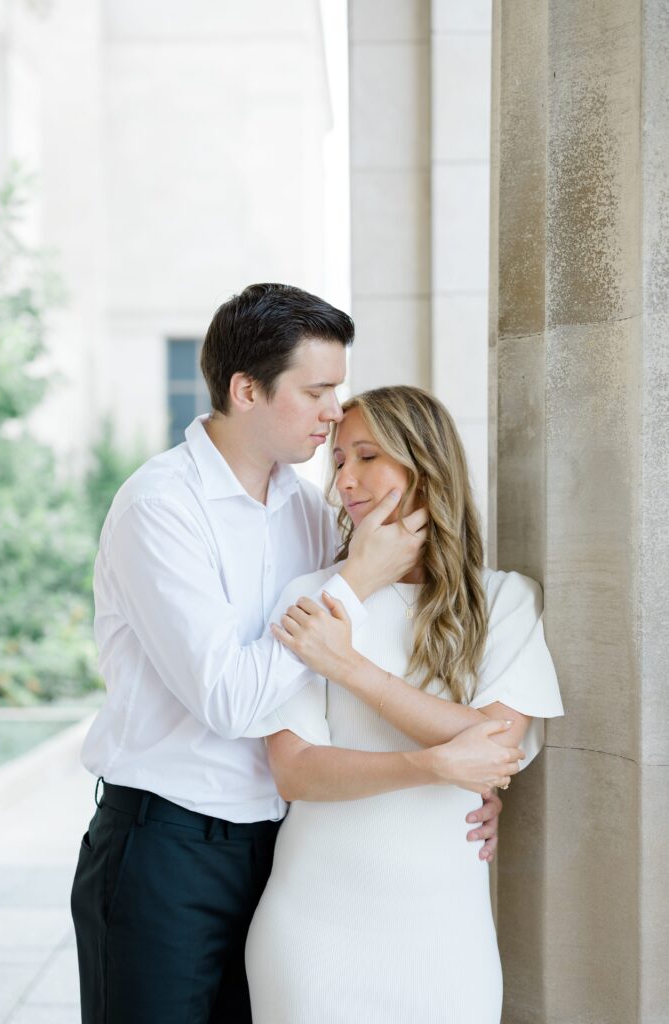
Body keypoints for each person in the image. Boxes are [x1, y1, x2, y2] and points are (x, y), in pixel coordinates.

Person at [70, 285, 509, 1024]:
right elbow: (234, 700)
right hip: (168, 847)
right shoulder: (159, 507)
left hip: (281, 855)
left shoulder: (305, 509)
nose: (335, 410)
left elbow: (347, 680)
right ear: (246, 390)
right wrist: (357, 579)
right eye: (316, 390)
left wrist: (464, 785)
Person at [245, 385, 564, 1024]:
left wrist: (349, 669)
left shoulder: (504, 601)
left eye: (367, 456)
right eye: (337, 461)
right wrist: (435, 766)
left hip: (447, 933)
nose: (347, 481)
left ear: (425, 465)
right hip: (314, 928)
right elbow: (296, 771)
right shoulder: (313, 598)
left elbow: (497, 747)